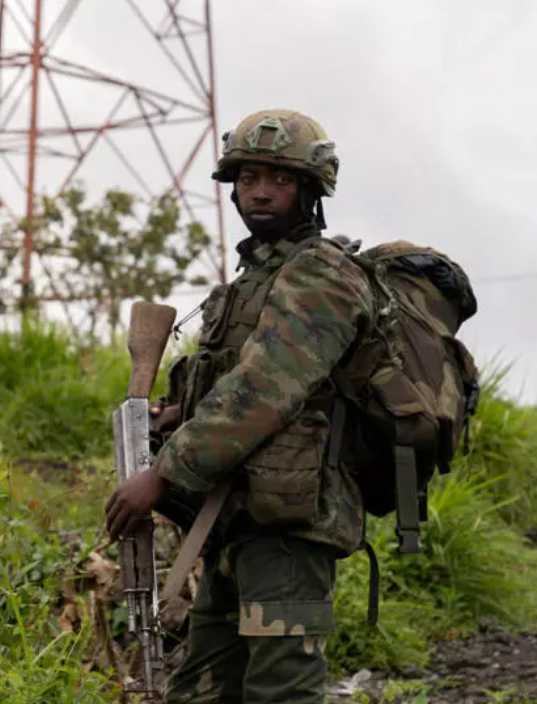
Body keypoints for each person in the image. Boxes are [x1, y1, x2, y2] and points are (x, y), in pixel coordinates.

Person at [105, 109, 372, 703]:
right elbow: (230, 382)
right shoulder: (251, 281)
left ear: (310, 189)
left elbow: (267, 387)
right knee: (199, 692)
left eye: (278, 179)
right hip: (233, 518)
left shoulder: (322, 277)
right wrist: (176, 416)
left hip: (288, 528)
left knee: (280, 692)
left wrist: (165, 473)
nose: (259, 191)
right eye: (247, 177)